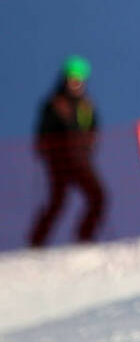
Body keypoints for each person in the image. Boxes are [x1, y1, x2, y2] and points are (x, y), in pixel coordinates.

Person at [29, 55, 107, 246]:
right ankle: (36, 240)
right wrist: (47, 152)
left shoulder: (86, 106)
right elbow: (43, 132)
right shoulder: (55, 103)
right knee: (58, 201)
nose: (76, 81)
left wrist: (89, 146)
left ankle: (84, 236)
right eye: (72, 76)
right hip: (60, 160)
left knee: (98, 196)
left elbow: (93, 130)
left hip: (80, 159)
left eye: (80, 77)